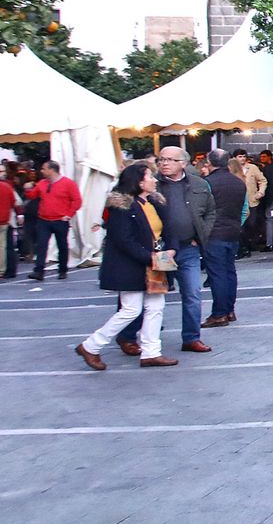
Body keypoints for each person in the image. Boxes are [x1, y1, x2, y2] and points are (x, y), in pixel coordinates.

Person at [75, 164, 179, 369]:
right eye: (151, 176)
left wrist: (172, 249)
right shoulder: (122, 207)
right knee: (131, 310)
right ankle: (91, 345)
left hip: (156, 262)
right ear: (139, 182)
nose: (155, 180)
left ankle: (151, 352)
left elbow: (167, 229)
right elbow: (124, 240)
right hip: (133, 265)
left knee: (156, 307)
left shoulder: (154, 202)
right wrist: (150, 257)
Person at [118, 147, 216, 355]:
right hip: (159, 249)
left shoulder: (198, 184)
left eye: (170, 160)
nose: (164, 163)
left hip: (188, 247)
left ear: (183, 163)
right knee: (147, 292)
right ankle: (128, 337)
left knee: (192, 293)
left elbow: (210, 211)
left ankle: (191, 337)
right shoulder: (150, 184)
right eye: (162, 159)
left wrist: (201, 236)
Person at [202, 151, 246, 329]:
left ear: (209, 162)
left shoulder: (207, 183)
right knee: (229, 272)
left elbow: (202, 209)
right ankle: (229, 309)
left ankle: (219, 313)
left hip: (214, 233)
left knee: (217, 274)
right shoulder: (239, 183)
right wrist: (237, 224)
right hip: (233, 231)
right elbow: (244, 210)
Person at [24, 160, 83, 281]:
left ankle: (62, 270)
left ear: (51, 170)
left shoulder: (68, 183)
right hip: (44, 219)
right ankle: (39, 271)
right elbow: (32, 195)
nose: (42, 171)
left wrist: (68, 214)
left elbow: (77, 200)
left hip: (60, 220)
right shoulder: (42, 183)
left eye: (44, 169)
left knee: (62, 246)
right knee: (41, 245)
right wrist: (28, 189)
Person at [234, 149, 268, 254]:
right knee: (240, 225)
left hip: (251, 200)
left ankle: (250, 244)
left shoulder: (252, 168)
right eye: (240, 156)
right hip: (237, 201)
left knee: (252, 223)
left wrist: (260, 192)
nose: (242, 159)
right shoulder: (231, 169)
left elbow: (262, 180)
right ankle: (243, 246)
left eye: (244, 156)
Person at [0, 175, 16, 278]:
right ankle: (1, 270)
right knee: (2, 247)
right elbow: (13, 202)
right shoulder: (7, 187)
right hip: (4, 220)